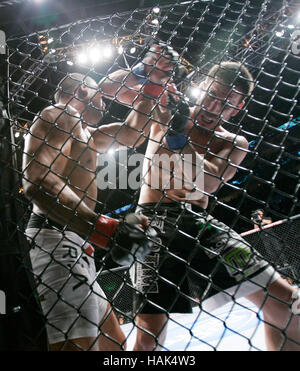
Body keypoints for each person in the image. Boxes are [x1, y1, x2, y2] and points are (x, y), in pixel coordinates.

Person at [116, 49, 300, 351]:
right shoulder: (166, 106)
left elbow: (209, 182)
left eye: (226, 101)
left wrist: (177, 136)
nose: (214, 105)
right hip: (148, 221)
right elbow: (117, 91)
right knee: (148, 336)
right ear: (203, 86)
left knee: (285, 304)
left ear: (238, 107)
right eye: (212, 94)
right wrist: (146, 70)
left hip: (199, 223)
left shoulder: (233, 142)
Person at [22, 71, 162, 351]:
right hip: (55, 243)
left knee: (115, 349)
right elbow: (37, 181)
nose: (104, 101)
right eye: (99, 94)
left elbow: (131, 133)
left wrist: (151, 85)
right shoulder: (61, 114)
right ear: (84, 92)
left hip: (74, 246)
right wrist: (102, 226)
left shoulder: (85, 133)